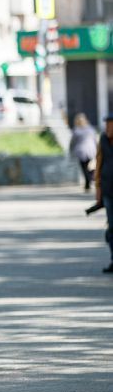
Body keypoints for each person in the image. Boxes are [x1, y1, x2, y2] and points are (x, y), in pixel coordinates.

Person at [95, 114, 113, 273]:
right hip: (108, 190)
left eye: (110, 125)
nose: (108, 128)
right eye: (106, 124)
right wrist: (98, 188)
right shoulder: (103, 140)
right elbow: (99, 163)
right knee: (111, 226)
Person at [70, 113, 98, 191]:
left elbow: (72, 142)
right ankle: (88, 182)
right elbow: (95, 140)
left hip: (81, 151)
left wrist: (70, 150)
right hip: (91, 150)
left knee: (84, 168)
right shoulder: (91, 129)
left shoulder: (76, 130)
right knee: (89, 167)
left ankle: (88, 182)